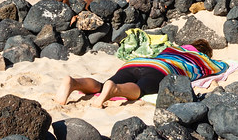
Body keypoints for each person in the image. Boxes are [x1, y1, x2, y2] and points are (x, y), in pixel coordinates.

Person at [56, 39, 227, 107]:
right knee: (140, 90)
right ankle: (115, 89)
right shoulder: (199, 58)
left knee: (100, 86)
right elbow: (219, 67)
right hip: (159, 70)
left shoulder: (169, 49)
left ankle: (74, 83)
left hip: (135, 63)